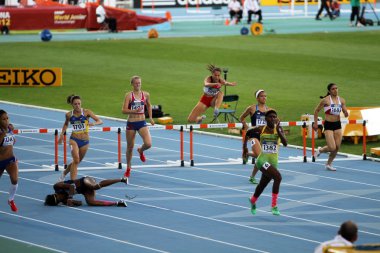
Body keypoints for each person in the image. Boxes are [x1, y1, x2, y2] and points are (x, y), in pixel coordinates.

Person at [245, 110, 287, 216]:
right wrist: (244, 148)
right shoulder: (261, 129)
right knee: (278, 177)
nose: (273, 119)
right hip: (262, 160)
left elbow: (285, 143)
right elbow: (248, 133)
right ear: (266, 119)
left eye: (274, 117)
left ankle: (253, 200)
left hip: (273, 162)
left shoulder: (279, 128)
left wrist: (279, 131)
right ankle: (274, 206)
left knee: (262, 184)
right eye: (270, 117)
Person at [58, 95, 103, 181]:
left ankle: (64, 173)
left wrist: (94, 124)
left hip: (85, 141)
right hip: (73, 139)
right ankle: (73, 182)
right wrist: (61, 135)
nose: (77, 105)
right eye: (75, 104)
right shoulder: (68, 115)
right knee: (76, 159)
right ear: (72, 105)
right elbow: (66, 124)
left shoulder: (86, 112)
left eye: (79, 103)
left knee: (77, 161)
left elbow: (100, 121)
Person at [122, 76, 154, 178]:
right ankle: (128, 167)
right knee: (130, 147)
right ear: (132, 84)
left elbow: (149, 105)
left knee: (148, 144)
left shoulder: (146, 94)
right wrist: (133, 111)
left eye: (139, 83)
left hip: (141, 122)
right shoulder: (129, 96)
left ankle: (141, 150)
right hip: (131, 123)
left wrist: (151, 118)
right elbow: (123, 110)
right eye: (136, 83)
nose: (138, 85)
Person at [313, 83, 348, 171]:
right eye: (333, 89)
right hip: (328, 125)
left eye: (336, 88)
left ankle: (328, 164)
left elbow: (345, 111)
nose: (335, 90)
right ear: (329, 91)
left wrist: (346, 113)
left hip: (337, 125)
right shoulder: (325, 100)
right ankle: (320, 150)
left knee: (337, 148)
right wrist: (316, 123)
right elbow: (316, 111)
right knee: (332, 147)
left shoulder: (342, 100)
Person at [240, 89, 270, 184]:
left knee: (261, 156)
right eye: (262, 96)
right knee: (261, 156)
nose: (264, 97)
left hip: (264, 136)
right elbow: (241, 117)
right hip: (253, 135)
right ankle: (258, 176)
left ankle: (247, 154)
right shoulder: (252, 108)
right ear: (257, 98)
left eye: (265, 96)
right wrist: (245, 126)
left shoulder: (269, 110)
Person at [45, 176, 129, 207]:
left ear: (54, 194)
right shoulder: (63, 201)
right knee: (91, 202)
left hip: (85, 181)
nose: (60, 198)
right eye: (59, 201)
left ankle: (121, 179)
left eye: (58, 197)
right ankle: (117, 203)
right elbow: (80, 203)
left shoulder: (57, 186)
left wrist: (70, 198)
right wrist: (73, 203)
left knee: (95, 187)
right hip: (84, 191)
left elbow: (71, 186)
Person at [0, 110, 19, 212]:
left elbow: (13, 141)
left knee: (15, 179)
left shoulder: (9, 128)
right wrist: (3, 134)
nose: (6, 121)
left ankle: (11, 199)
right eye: (3, 119)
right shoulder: (2, 132)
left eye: (7, 118)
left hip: (10, 160)